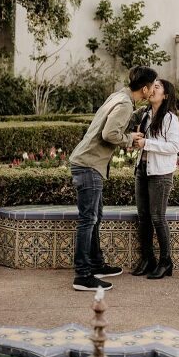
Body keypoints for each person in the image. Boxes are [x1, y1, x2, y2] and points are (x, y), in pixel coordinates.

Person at [69, 65, 158, 291]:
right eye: (153, 87)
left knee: (95, 217)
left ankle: (96, 264)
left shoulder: (119, 96)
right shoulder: (125, 103)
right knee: (88, 220)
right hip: (89, 164)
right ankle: (82, 275)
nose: (153, 90)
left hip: (88, 163)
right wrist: (129, 139)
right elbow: (109, 134)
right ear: (145, 89)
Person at [130, 79, 179, 279]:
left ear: (165, 95)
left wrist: (147, 143)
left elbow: (173, 147)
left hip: (160, 174)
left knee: (158, 218)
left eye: (157, 87)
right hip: (142, 169)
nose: (152, 89)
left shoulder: (170, 118)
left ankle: (166, 261)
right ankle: (148, 259)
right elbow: (141, 141)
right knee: (143, 217)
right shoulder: (145, 114)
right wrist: (136, 141)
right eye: (153, 86)